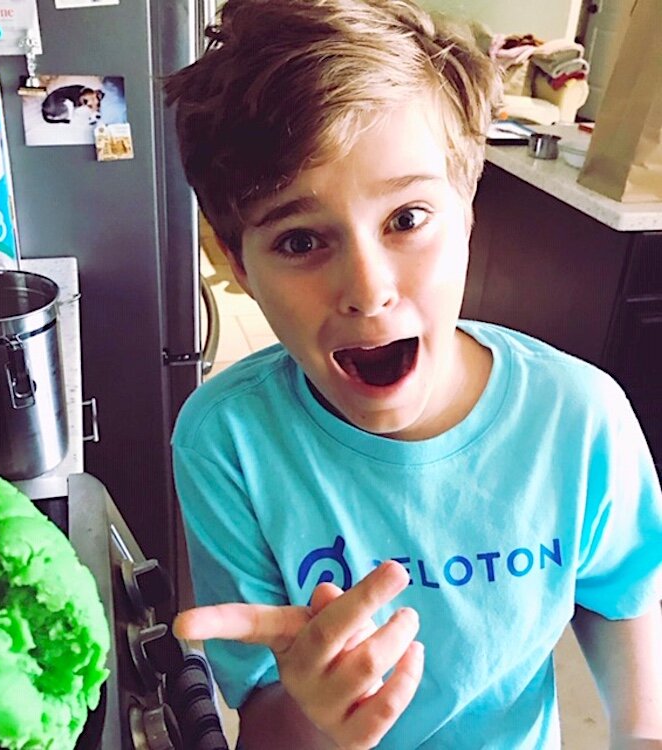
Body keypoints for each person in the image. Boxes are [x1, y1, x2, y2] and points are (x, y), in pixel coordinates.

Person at [164, 1, 662, 747]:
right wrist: (317, 707)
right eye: (300, 240)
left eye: (406, 219)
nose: (367, 289)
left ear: (465, 213)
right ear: (238, 266)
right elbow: (267, 719)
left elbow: (618, 592)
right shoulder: (227, 442)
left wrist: (640, 728)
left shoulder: (581, 417)